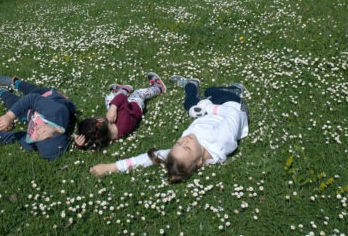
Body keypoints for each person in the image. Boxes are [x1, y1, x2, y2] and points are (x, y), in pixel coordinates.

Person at [89, 76, 249, 182]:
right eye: (186, 147)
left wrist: (112, 167)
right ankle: (232, 90)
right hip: (231, 105)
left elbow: (148, 158)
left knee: (192, 104)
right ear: (200, 161)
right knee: (210, 92)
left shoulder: (186, 157)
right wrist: (208, 107)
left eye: (178, 144)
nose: (184, 141)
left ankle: (192, 84)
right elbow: (234, 114)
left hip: (208, 114)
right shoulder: (220, 139)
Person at [0, 75, 77, 161]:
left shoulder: (36, 140)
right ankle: (16, 83)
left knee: (14, 104)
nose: (38, 131)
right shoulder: (55, 112)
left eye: (38, 136)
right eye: (43, 133)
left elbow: (18, 138)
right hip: (47, 98)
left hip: (35, 114)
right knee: (32, 91)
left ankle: (2, 92)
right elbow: (31, 99)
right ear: (59, 130)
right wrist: (9, 116)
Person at [74, 72, 166, 151]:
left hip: (124, 110)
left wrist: (80, 145)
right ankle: (158, 88)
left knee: (109, 99)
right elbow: (122, 98)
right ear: (99, 122)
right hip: (134, 107)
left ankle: (116, 92)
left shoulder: (104, 139)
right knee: (138, 93)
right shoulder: (123, 118)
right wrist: (113, 107)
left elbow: (92, 145)